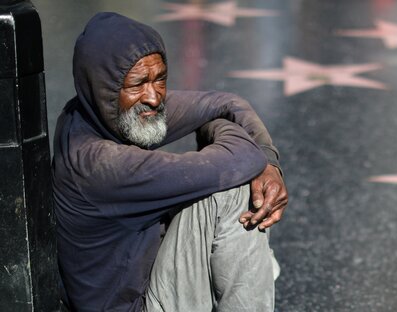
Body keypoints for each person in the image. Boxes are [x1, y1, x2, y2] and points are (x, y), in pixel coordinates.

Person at [52, 12, 288, 312]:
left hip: (146, 274)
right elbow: (240, 158)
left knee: (241, 172)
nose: (153, 97)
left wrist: (268, 162)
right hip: (134, 305)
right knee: (232, 192)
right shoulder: (98, 163)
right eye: (138, 84)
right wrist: (259, 161)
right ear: (103, 89)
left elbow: (228, 104)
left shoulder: (93, 111)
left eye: (160, 79)